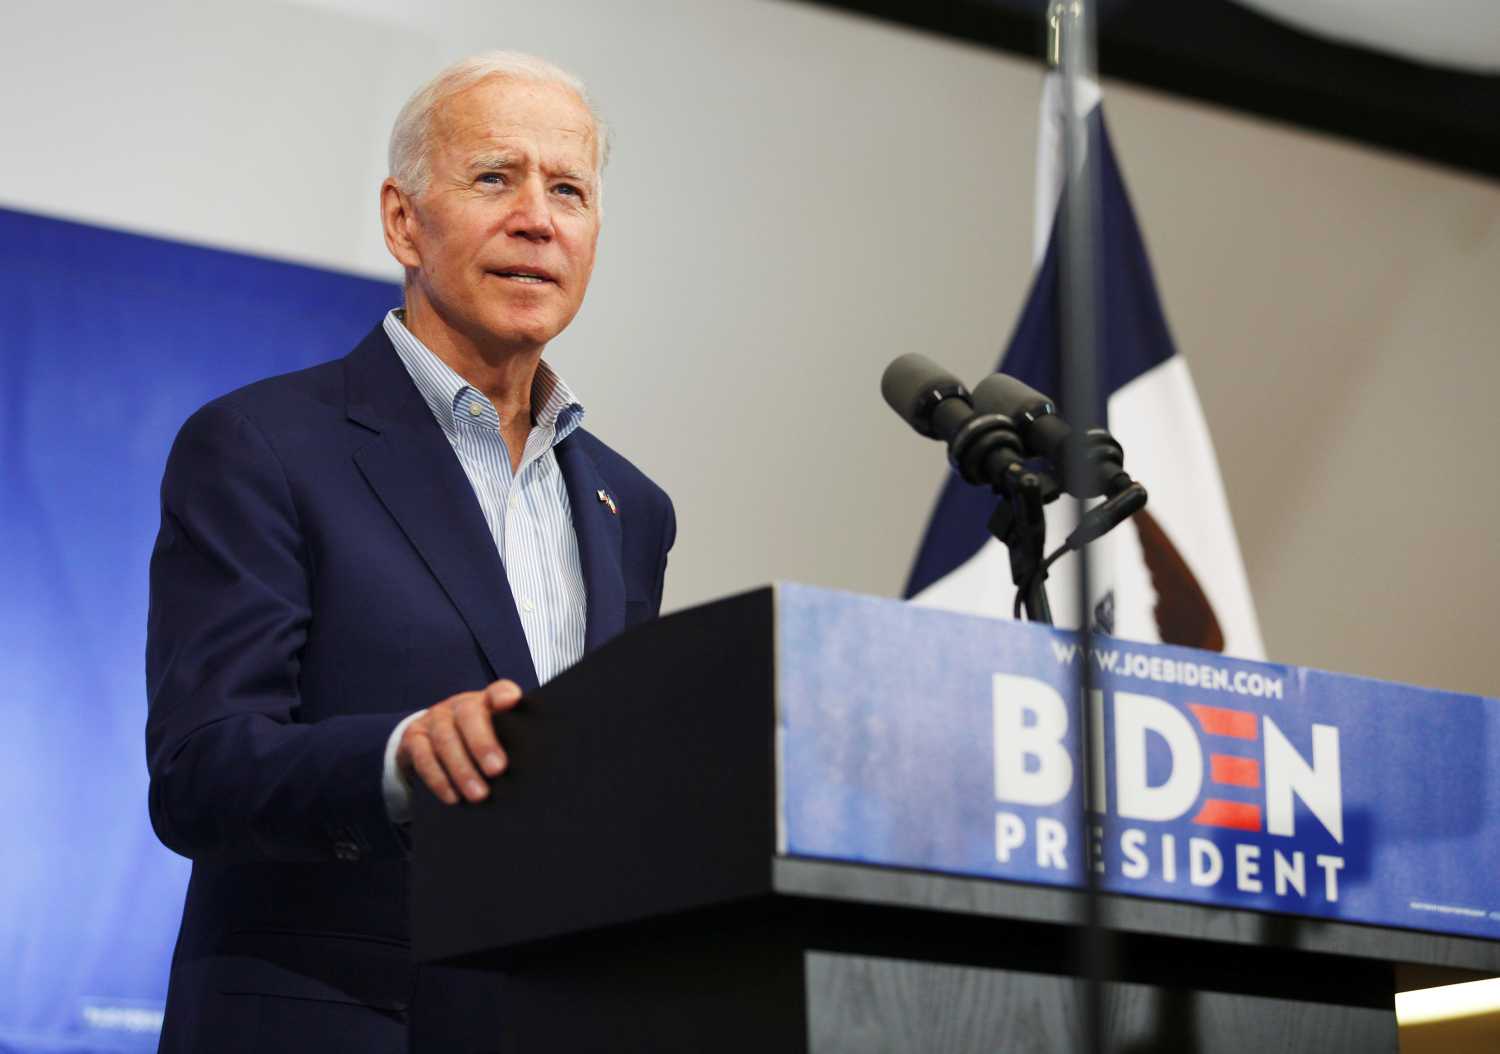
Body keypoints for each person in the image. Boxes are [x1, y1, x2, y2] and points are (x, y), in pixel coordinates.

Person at [145, 51, 675, 1053]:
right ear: (403, 222)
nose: (537, 218)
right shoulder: (261, 446)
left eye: (568, 190)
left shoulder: (632, 507)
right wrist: (399, 758)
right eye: (495, 177)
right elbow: (200, 770)